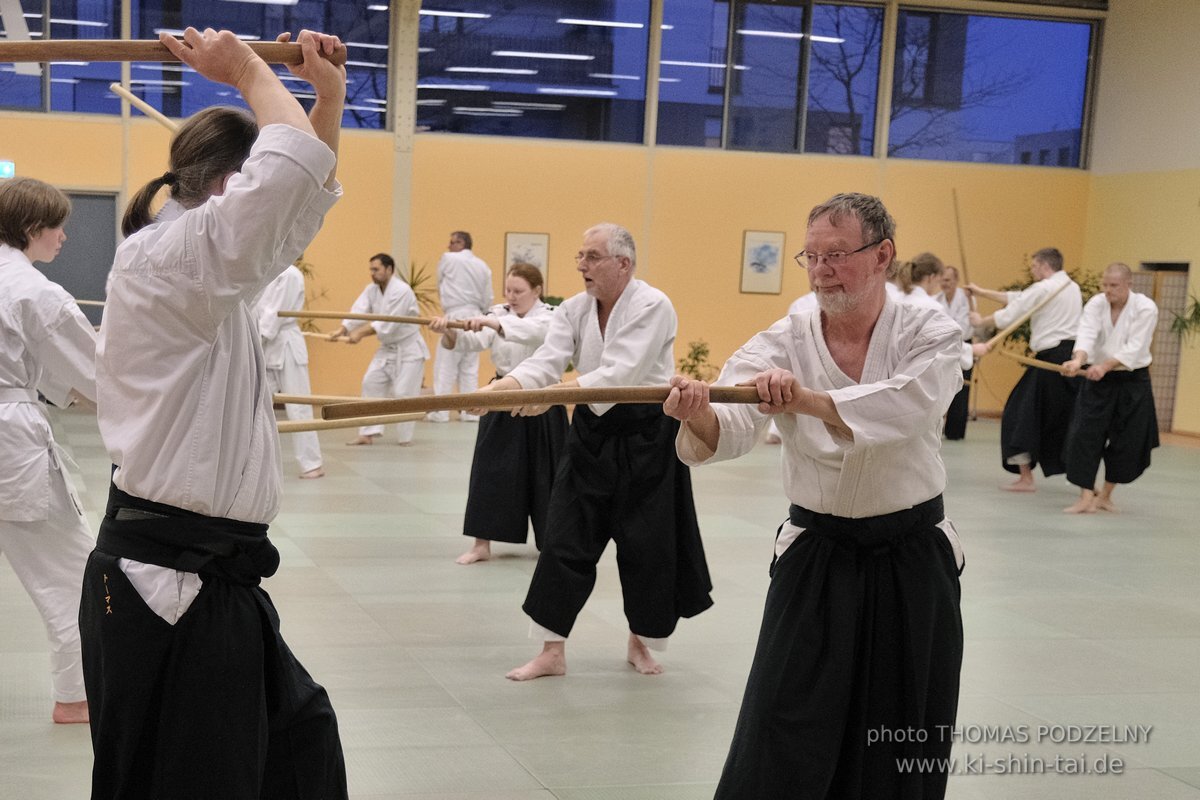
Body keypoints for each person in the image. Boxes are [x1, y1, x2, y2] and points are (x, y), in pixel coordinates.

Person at [83, 28, 348, 799]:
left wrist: (324, 97)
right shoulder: (169, 260)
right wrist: (244, 71)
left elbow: (298, 202)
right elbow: (287, 178)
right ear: (231, 185)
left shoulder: (210, 271)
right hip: (167, 583)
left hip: (212, 580)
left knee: (298, 755)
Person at [665, 193, 965, 800]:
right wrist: (698, 413)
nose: (822, 269)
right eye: (812, 256)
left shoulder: (930, 329)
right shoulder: (789, 335)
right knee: (782, 719)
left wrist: (802, 400)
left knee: (903, 725)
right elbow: (735, 420)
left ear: (883, 255)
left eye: (838, 254)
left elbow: (909, 405)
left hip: (912, 555)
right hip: (818, 552)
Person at [473, 223, 712, 681]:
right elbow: (548, 358)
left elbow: (621, 372)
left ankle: (640, 642)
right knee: (564, 537)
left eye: (592, 256)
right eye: (580, 255)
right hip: (590, 434)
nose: (581, 264)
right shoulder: (575, 309)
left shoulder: (652, 304)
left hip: (648, 435)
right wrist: (507, 387)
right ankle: (551, 650)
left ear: (624, 263)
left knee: (647, 546)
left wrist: (550, 395)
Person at [0, 177, 96, 725]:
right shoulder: (33, 289)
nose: (63, 236)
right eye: (57, 225)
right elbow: (97, 373)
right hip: (10, 444)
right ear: (32, 227)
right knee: (73, 572)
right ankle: (76, 694)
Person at [429, 263, 566, 565]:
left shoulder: (553, 316)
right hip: (501, 395)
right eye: (508, 291)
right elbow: (471, 341)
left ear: (537, 291)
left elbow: (536, 334)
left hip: (544, 399)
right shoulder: (497, 313)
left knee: (551, 473)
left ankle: (554, 543)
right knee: (489, 470)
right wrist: (449, 331)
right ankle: (481, 545)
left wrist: (493, 325)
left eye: (519, 291)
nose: (512, 296)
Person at [967, 247, 1082, 492]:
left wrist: (981, 322)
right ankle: (1057, 475)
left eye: (1033, 266)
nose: (1032, 271)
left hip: (1050, 360)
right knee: (1056, 416)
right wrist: (982, 292)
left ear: (1043, 266)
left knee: (1017, 413)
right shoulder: (1070, 287)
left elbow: (1013, 313)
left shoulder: (1044, 288)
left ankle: (1026, 478)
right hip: (1067, 357)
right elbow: (1021, 298)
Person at [1061, 262, 1159, 514]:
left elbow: (1135, 346)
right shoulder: (1097, 303)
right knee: (1084, 434)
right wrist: (1079, 360)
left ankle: (1105, 494)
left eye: (1114, 285)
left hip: (1132, 379)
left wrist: (1104, 366)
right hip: (1097, 380)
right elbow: (1087, 333)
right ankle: (1085, 495)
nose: (1108, 290)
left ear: (1128, 284)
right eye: (1105, 284)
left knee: (1128, 439)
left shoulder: (1145, 307)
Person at [331, 252, 429, 446]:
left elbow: (388, 322)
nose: (372, 273)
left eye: (376, 269)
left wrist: (359, 334)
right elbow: (359, 310)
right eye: (371, 269)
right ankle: (367, 433)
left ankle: (405, 438)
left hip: (409, 349)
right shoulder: (371, 290)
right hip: (387, 348)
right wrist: (343, 329)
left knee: (404, 393)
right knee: (371, 382)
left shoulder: (402, 290)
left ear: (389, 269)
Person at [255, 260, 324, 478]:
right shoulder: (263, 269)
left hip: (286, 346)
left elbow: (273, 316)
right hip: (265, 345)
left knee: (299, 405)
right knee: (257, 405)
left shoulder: (289, 274)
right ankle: (255, 466)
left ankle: (312, 463)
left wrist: (255, 338)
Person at [428, 230, 492, 422]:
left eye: (453, 242)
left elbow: (440, 284)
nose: (449, 246)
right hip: (476, 317)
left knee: (446, 366)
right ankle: (469, 411)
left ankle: (441, 411)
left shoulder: (448, 258)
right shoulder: (483, 265)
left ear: (462, 243)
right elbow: (488, 296)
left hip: (454, 316)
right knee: (469, 367)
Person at [938, 265, 973, 440]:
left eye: (948, 280)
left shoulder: (966, 299)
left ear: (956, 280)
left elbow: (964, 326)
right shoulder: (937, 299)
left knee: (962, 386)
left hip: (964, 343)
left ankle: (955, 431)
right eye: (942, 280)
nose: (945, 284)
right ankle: (940, 425)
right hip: (943, 344)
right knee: (942, 385)